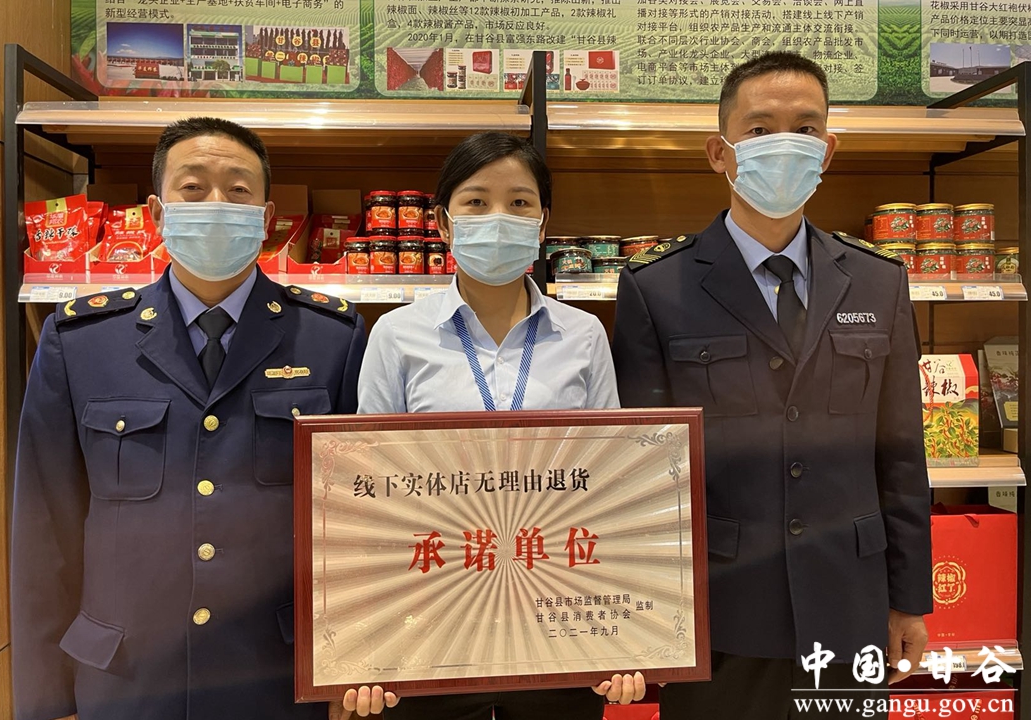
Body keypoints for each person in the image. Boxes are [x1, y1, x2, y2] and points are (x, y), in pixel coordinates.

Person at [11, 117, 366, 720]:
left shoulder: (332, 338)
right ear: (156, 212)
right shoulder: (80, 340)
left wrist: (352, 663)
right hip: (123, 678)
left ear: (266, 216)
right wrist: (44, 702)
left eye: (238, 190)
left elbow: (356, 527)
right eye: (193, 188)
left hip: (278, 675)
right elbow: (45, 535)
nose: (217, 204)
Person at [612, 52, 932, 718]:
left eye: (805, 128)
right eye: (759, 130)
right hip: (720, 611)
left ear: (827, 150)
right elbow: (644, 474)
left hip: (850, 602)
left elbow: (901, 455)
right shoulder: (656, 287)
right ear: (720, 152)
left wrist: (909, 600)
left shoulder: (880, 281)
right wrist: (644, 613)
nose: (784, 145)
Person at [346, 131, 644, 720]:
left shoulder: (585, 336)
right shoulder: (396, 335)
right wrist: (365, 638)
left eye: (520, 202)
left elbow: (610, 486)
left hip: (557, 620)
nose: (498, 217)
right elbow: (370, 491)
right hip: (430, 620)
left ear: (543, 222)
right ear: (444, 222)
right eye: (477, 202)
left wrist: (623, 635)